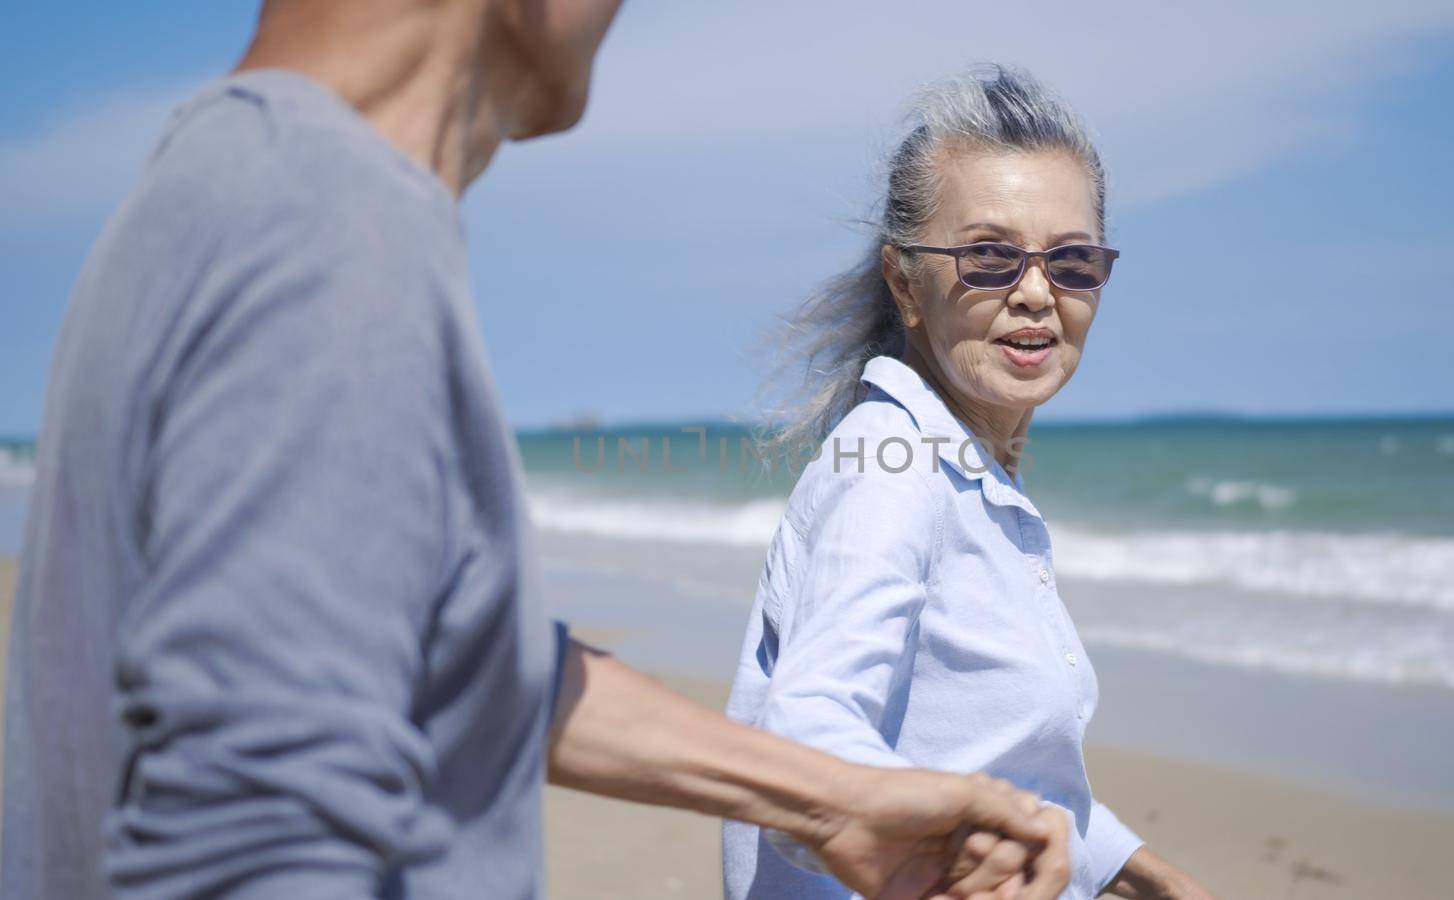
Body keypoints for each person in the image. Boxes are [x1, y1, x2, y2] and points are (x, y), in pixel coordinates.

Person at [0, 4, 1078, 899]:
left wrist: (828, 799)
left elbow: (465, 659)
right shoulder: (328, 231)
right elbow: (253, 835)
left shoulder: (225, 177)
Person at [723, 66, 1218, 899]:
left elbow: (998, 766)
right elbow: (808, 743)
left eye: (1072, 261)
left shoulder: (961, 472)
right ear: (903, 281)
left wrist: (1147, 876)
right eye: (989, 256)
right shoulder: (892, 472)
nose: (1036, 293)